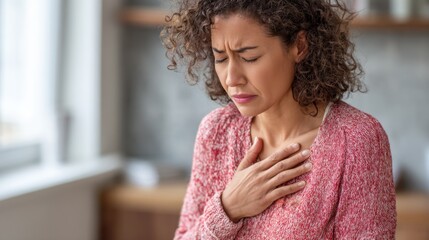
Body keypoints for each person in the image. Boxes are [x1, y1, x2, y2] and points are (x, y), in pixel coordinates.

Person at [161, 0, 396, 239]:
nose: (232, 78)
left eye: (249, 57)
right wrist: (228, 208)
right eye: (220, 58)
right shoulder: (216, 131)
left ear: (299, 46)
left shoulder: (355, 141)